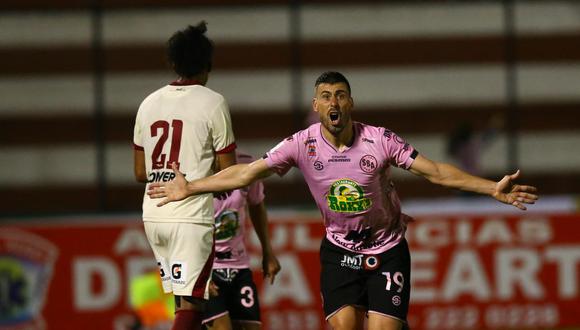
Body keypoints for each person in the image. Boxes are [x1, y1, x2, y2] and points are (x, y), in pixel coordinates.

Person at [147, 71, 538, 330]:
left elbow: (434, 171)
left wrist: (491, 188)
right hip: (339, 252)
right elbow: (246, 173)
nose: (333, 102)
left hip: (387, 249)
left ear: (351, 102)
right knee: (346, 324)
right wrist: (192, 186)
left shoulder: (379, 139)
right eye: (325, 96)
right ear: (316, 107)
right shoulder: (302, 145)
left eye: (340, 95)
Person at [133, 21, 237, 330]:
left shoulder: (148, 103)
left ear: (173, 63)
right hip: (190, 217)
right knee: (193, 302)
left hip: (153, 215)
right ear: (208, 64)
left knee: (182, 301)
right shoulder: (213, 102)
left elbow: (140, 172)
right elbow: (228, 170)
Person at [203, 151, 281, 330]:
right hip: (208, 268)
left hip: (239, 266)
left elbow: (257, 205)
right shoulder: (193, 166)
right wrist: (198, 272)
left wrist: (268, 252)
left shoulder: (246, 163)